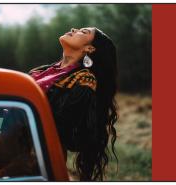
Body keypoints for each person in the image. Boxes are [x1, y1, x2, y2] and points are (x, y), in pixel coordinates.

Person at [28, 27, 118, 181]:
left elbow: (62, 124)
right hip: (12, 141)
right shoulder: (45, 70)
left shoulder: (84, 80)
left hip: (36, 154)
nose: (73, 29)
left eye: (83, 32)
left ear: (89, 48)